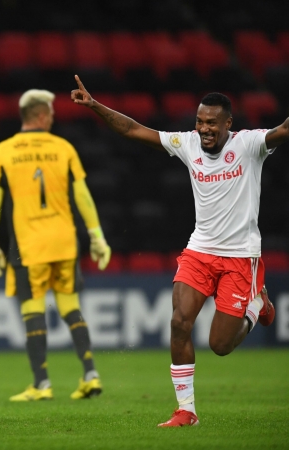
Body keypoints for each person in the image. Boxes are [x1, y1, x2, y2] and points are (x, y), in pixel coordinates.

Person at [70, 75, 285, 427]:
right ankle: (186, 410)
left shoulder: (250, 145)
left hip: (239, 256)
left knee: (220, 345)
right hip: (199, 250)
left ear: (228, 123)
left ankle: (256, 303)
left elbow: (282, 129)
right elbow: (134, 130)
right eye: (200, 122)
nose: (204, 129)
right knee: (178, 322)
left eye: (212, 123)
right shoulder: (187, 144)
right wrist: (95, 106)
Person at [0, 89, 112, 402]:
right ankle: (90, 374)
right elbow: (82, 195)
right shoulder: (63, 147)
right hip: (64, 241)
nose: (53, 117)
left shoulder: (5, 150)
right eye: (51, 113)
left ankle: (41, 383)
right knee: (70, 306)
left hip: (29, 244)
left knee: (33, 309)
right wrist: (97, 236)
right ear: (40, 116)